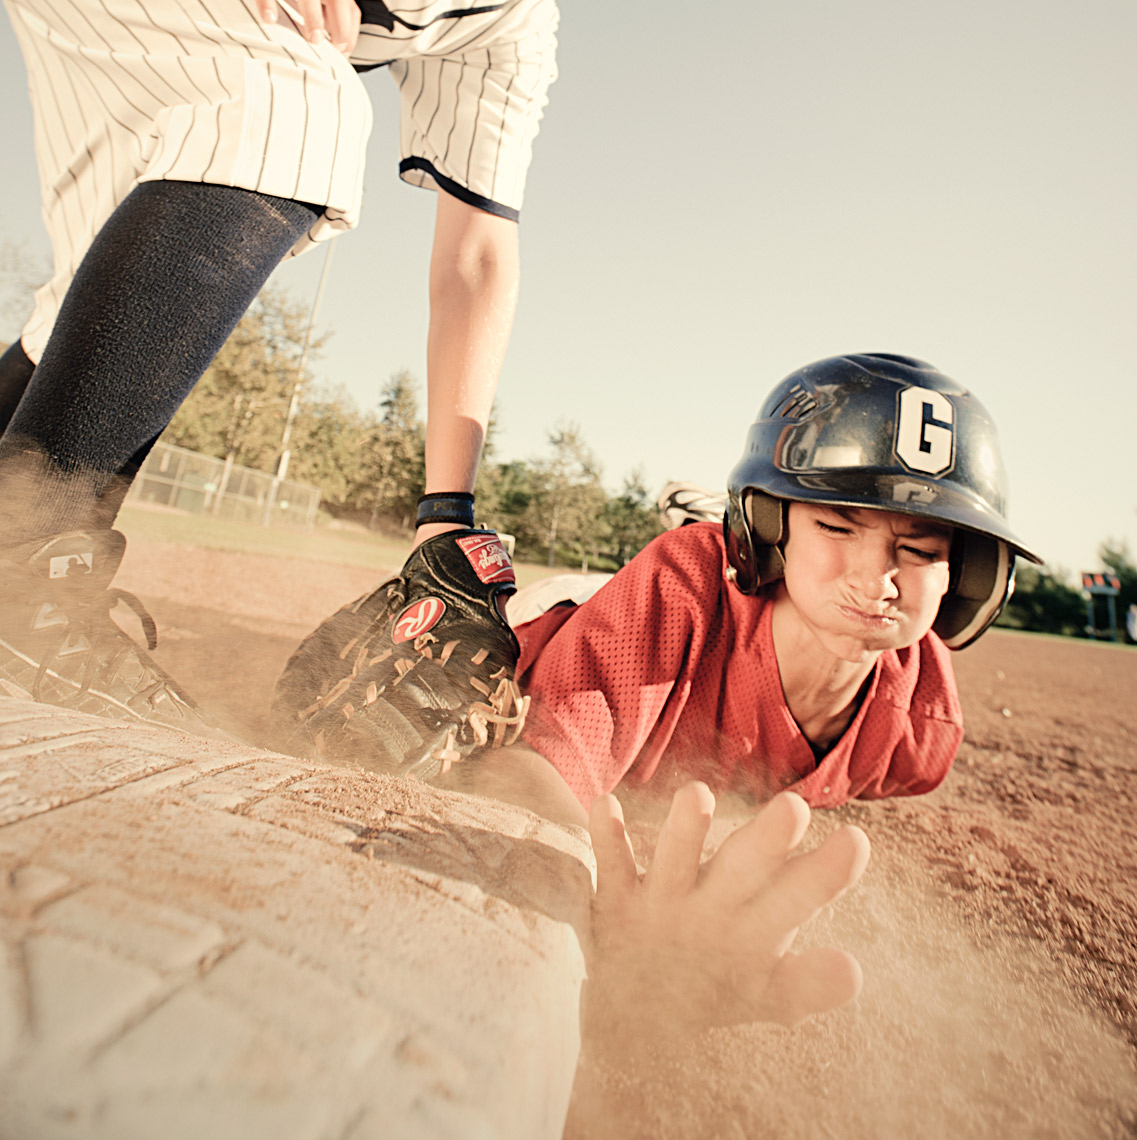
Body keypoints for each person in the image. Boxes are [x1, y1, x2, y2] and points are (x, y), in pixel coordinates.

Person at [0, 0, 558, 736]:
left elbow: (476, 256)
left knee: (92, 299)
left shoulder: (513, 22)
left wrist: (445, 513)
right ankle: (23, 592)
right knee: (290, 112)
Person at [449, 353, 1041, 815]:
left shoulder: (920, 727)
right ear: (766, 527)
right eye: (838, 524)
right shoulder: (677, 592)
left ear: (966, 578)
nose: (875, 579)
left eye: (918, 549)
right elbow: (532, 777)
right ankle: (702, 530)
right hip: (581, 615)